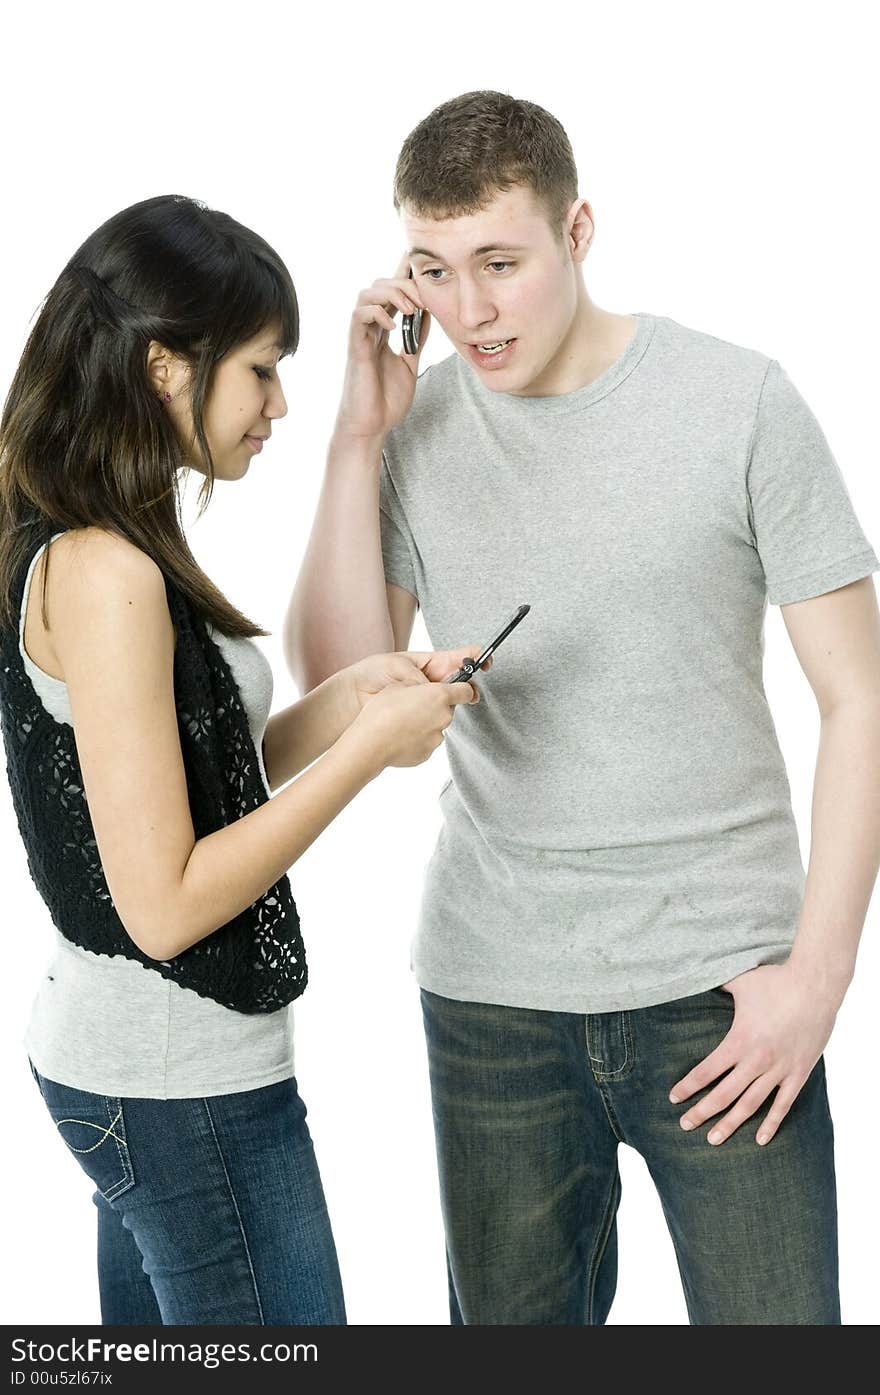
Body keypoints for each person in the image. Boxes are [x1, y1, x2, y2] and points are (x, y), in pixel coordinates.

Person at [285, 91, 880, 1325]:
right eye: (432, 272)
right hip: (493, 996)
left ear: (579, 232)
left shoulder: (739, 402)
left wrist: (816, 982)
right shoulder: (412, 429)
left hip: (723, 999)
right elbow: (345, 689)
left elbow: (860, 697)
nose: (468, 312)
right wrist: (354, 440)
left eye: (500, 264)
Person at [0, 193, 484, 1326]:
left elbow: (187, 782)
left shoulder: (92, 534)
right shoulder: (106, 570)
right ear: (168, 367)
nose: (276, 405)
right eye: (262, 370)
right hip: (180, 1087)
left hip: (134, 1073)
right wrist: (365, 755)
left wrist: (353, 698)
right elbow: (165, 906)